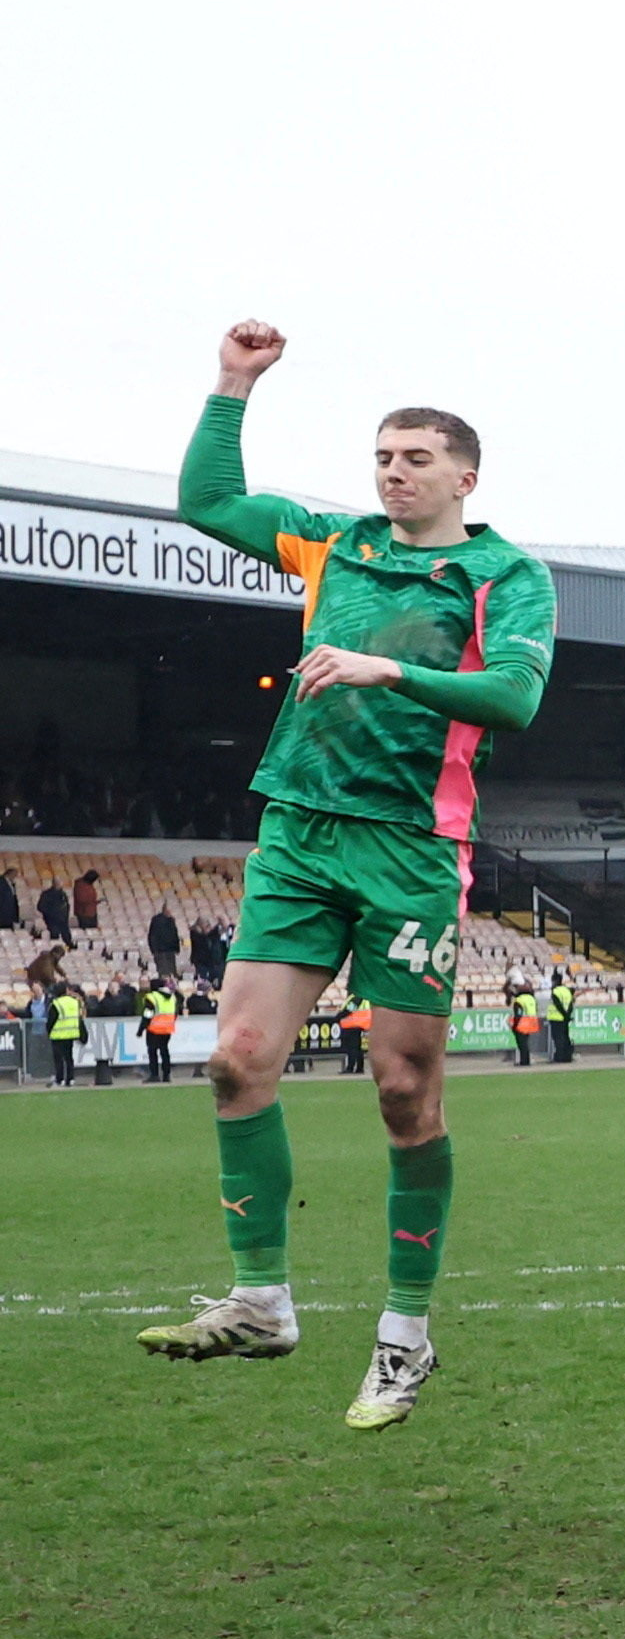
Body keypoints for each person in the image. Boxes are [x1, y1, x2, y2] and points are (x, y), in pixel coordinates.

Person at [141, 321, 557, 1438]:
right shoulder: (335, 543)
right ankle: (261, 1301)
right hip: (299, 829)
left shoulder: (506, 575)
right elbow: (207, 503)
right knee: (234, 1059)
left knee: (403, 1090)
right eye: (382, 455)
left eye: (416, 458)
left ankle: (405, 1334)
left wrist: (387, 667)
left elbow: (515, 698)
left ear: (465, 477)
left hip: (411, 846)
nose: (392, 472)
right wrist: (232, 384)